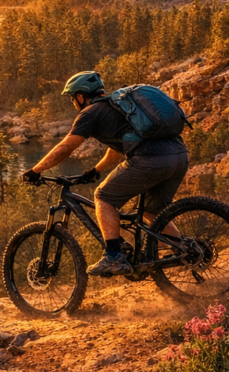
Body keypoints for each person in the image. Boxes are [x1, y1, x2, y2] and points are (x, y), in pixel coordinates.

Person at [21, 71, 189, 277]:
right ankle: (185, 252)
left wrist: (35, 171)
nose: (73, 102)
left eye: (72, 98)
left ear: (81, 96)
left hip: (150, 160)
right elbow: (118, 148)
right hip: (179, 156)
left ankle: (114, 256)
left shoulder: (90, 113)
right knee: (152, 212)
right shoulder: (117, 107)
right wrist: (96, 170)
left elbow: (66, 147)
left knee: (104, 197)